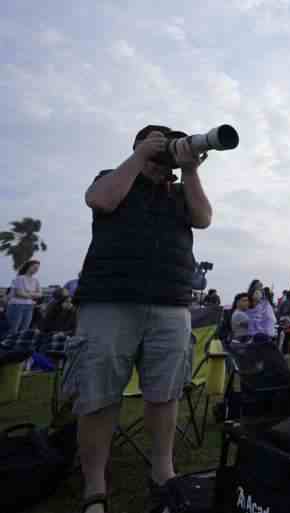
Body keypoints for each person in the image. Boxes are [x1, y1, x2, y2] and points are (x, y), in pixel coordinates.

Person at [65, 124, 213, 513]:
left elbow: (204, 218)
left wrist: (191, 170)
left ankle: (163, 472)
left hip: (170, 304)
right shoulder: (113, 178)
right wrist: (139, 157)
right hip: (108, 301)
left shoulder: (180, 192)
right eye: (154, 146)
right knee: (98, 397)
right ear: (138, 146)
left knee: (165, 394)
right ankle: (95, 485)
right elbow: (101, 200)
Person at [6, 260, 42, 334]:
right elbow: (19, 293)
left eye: (37, 268)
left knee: (24, 330)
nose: (36, 269)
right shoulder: (19, 278)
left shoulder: (36, 280)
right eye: (34, 267)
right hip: (17, 306)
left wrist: (27, 293)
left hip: (29, 306)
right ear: (28, 267)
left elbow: (40, 294)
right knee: (14, 329)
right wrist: (33, 294)